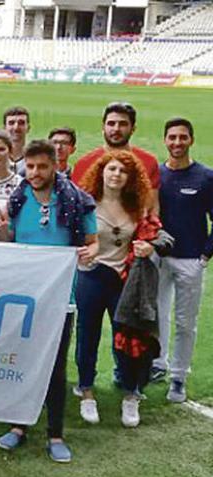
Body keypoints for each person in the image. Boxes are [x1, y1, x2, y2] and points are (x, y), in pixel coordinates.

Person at [0, 139, 98, 464]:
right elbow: (11, 240)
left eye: (42, 167)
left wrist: (90, 252)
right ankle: (19, 425)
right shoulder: (18, 198)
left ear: (55, 166)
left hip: (59, 298)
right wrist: (2, 229)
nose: (35, 173)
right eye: (30, 166)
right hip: (23, 296)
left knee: (54, 367)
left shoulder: (77, 202)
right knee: (20, 360)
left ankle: (55, 433)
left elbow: (92, 245)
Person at [74, 150, 157, 427]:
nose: (116, 175)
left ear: (130, 177)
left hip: (124, 280)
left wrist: (150, 246)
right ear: (102, 172)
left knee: (127, 336)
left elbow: (158, 234)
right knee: (88, 333)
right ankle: (86, 390)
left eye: (123, 171)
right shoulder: (87, 203)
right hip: (92, 275)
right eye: (112, 169)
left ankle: (130, 394)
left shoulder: (138, 206)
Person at [153, 118, 213, 401]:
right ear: (165, 140)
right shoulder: (157, 175)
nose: (177, 143)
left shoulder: (205, 177)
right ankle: (157, 363)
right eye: (172, 137)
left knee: (185, 321)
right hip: (159, 257)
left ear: (191, 140)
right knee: (156, 314)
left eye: (182, 137)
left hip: (191, 259)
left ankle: (178, 376)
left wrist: (205, 254)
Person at [72, 102, 160, 213]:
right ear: (103, 127)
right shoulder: (84, 164)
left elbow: (152, 206)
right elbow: (77, 206)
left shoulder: (148, 162)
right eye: (111, 123)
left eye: (123, 124)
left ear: (133, 128)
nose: (116, 129)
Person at [4, 106, 31, 173]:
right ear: (4, 128)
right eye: (11, 123)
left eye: (21, 123)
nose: (16, 127)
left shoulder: (35, 156)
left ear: (28, 128)